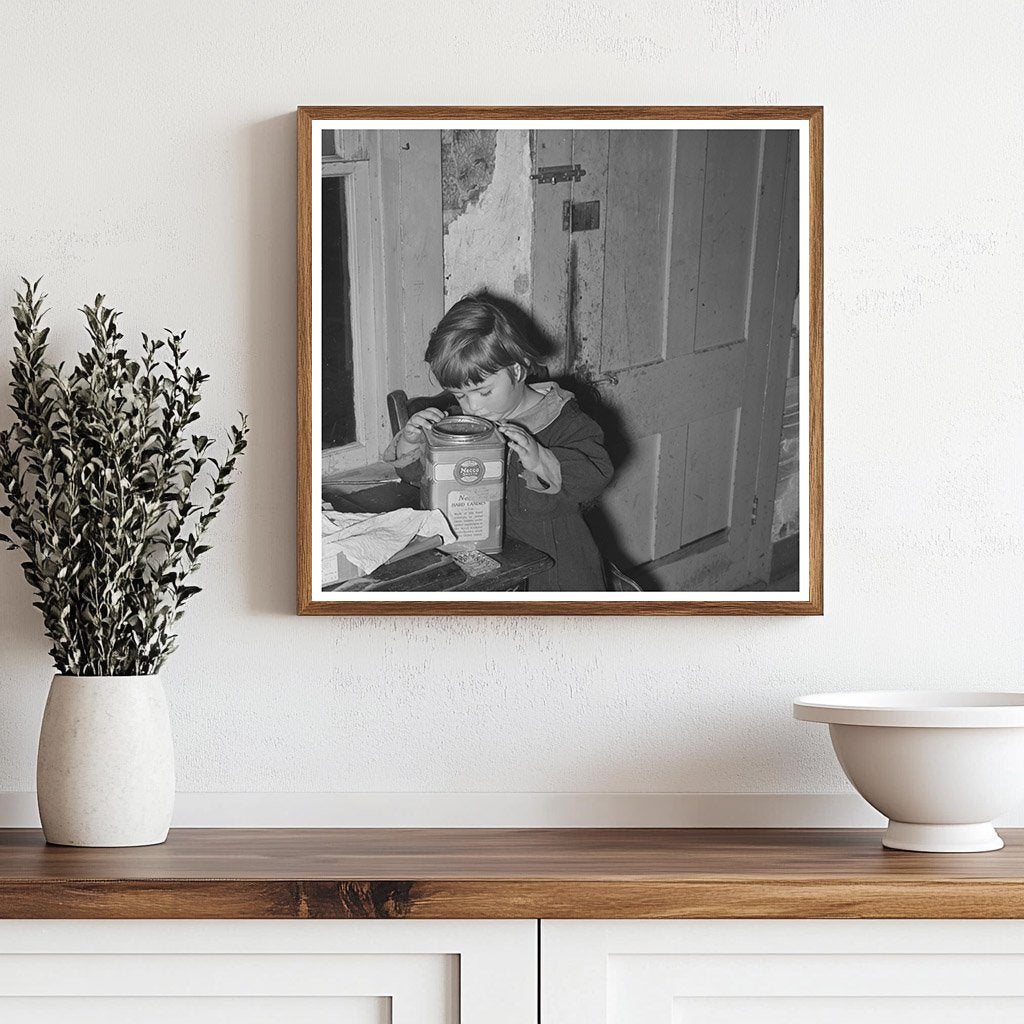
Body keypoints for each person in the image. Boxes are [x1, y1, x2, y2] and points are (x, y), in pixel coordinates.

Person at [384, 294, 613, 591]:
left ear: (517, 370)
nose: (472, 408)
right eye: (460, 395)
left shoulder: (562, 419)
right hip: (483, 564)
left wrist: (540, 459)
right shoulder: (463, 425)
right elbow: (420, 480)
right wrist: (413, 442)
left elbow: (596, 473)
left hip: (553, 570)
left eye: (483, 391)